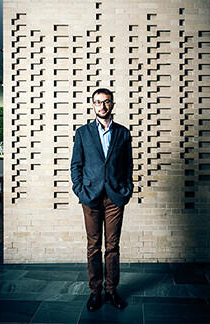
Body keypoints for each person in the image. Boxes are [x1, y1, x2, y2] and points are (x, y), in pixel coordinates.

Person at [71, 88, 133, 312]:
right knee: (93, 246)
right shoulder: (83, 133)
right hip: (91, 197)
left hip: (115, 197)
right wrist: (80, 190)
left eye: (106, 102)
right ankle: (95, 292)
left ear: (112, 105)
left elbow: (127, 166)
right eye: (98, 102)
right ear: (93, 105)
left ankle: (111, 290)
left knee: (113, 247)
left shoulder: (123, 133)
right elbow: (76, 165)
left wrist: (127, 189)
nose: (102, 107)